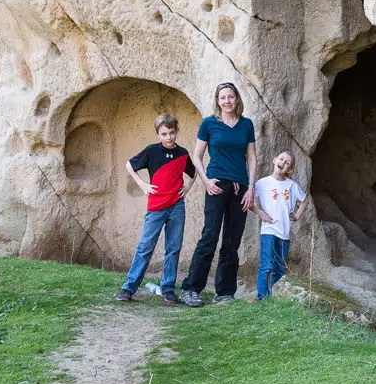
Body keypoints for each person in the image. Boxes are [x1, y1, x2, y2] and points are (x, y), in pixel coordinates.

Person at [179, 83, 257, 306]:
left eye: (230, 97)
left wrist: (251, 187)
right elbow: (196, 155)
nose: (227, 101)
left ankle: (224, 292)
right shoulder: (209, 123)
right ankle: (191, 288)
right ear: (217, 100)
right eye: (222, 97)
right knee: (210, 236)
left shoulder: (246, 125)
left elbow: (251, 158)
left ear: (237, 99)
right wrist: (205, 180)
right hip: (216, 184)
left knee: (232, 241)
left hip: (241, 188)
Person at [117, 114, 201, 303]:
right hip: (156, 206)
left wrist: (187, 187)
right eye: (164, 133)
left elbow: (194, 171)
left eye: (171, 132)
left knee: (173, 247)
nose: (169, 137)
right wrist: (143, 185)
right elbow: (129, 165)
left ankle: (168, 288)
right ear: (158, 135)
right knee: (145, 247)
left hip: (176, 206)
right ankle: (129, 288)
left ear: (176, 131)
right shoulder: (151, 151)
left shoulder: (182, 153)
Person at [253, 151, 308, 300]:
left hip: (284, 233)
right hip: (268, 230)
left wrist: (296, 215)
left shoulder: (292, 185)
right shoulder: (262, 183)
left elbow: (304, 200)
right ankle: (262, 297)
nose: (283, 163)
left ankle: (276, 297)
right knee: (266, 266)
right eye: (281, 159)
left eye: (287, 163)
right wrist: (260, 213)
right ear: (274, 160)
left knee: (279, 268)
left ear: (289, 170)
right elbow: (249, 200)